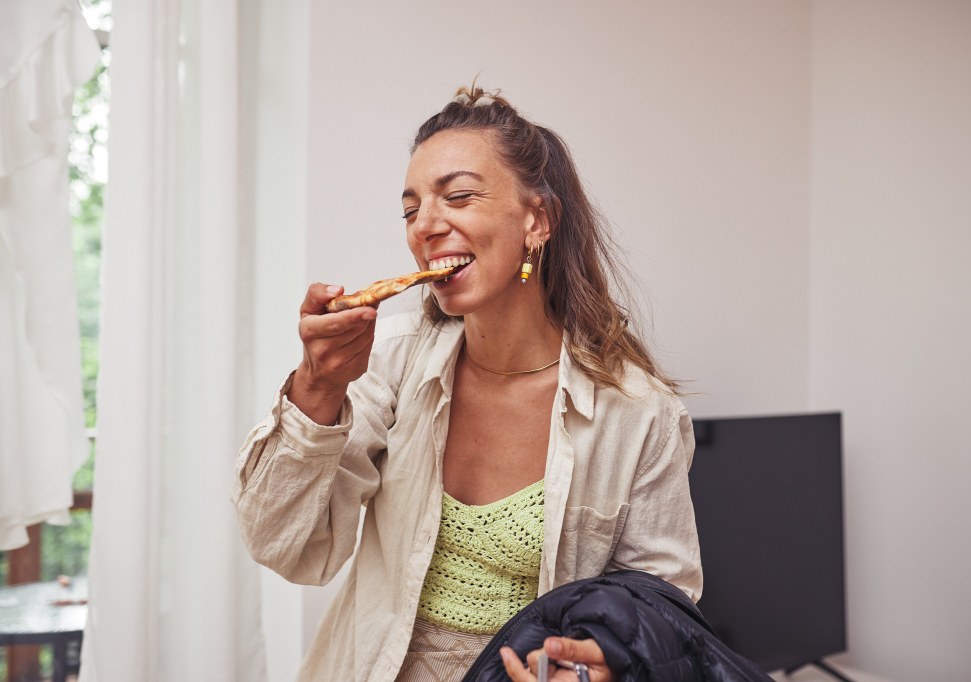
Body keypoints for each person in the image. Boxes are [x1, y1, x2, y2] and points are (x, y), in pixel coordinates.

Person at [233, 85, 702, 682]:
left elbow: (662, 604)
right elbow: (285, 546)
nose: (425, 227)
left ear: (537, 220)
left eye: (457, 196)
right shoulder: (391, 361)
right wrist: (318, 387)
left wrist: (604, 665)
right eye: (411, 211)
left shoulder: (638, 412)